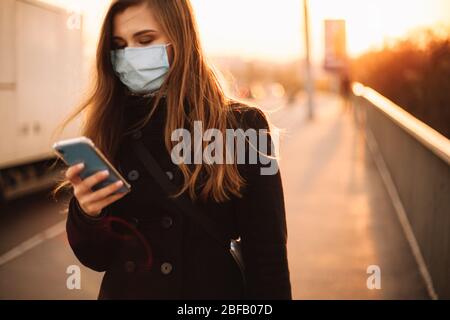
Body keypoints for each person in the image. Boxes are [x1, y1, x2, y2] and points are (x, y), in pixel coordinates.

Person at [55, 0, 291, 300]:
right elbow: (97, 258)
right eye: (119, 45)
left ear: (181, 37)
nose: (129, 55)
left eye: (145, 40)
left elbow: (267, 255)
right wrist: (88, 213)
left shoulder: (243, 125)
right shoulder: (112, 124)